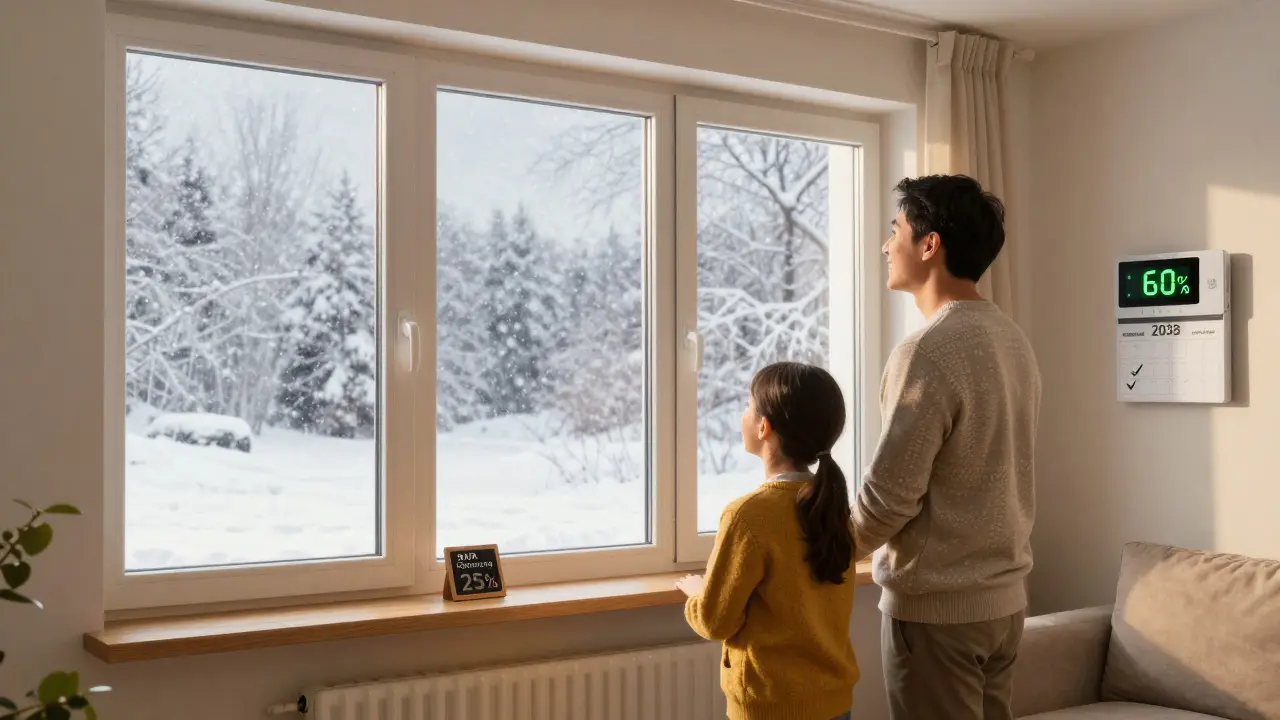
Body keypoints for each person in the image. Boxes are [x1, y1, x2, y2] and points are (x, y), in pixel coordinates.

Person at [854, 174, 1041, 720]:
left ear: (929, 244)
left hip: (939, 615)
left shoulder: (928, 350)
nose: (888, 246)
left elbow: (890, 496)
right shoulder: (1012, 339)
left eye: (897, 231)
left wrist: (824, 551)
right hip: (1004, 608)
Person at [677, 362, 859, 720]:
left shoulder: (748, 516)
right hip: (836, 705)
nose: (743, 414)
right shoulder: (833, 508)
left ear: (764, 426)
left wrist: (697, 593)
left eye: (748, 406)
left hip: (770, 709)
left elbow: (715, 621)